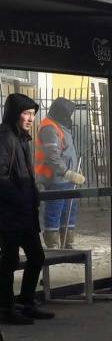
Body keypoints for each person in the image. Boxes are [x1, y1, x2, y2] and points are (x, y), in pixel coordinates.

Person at [0, 94, 53, 324]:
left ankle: (25, 301)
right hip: (9, 214)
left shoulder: (20, 138)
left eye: (33, 114)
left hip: (23, 213)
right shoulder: (5, 138)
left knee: (36, 256)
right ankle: (6, 307)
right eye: (26, 113)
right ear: (15, 114)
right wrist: (19, 198)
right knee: (9, 261)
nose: (31, 118)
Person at [35, 97, 86, 249]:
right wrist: (68, 173)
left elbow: (67, 152)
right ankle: (54, 245)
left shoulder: (60, 126)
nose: (69, 116)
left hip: (66, 179)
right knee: (54, 210)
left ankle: (67, 243)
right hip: (55, 179)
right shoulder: (50, 128)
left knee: (69, 211)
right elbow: (52, 157)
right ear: (61, 112)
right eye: (68, 113)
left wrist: (76, 171)